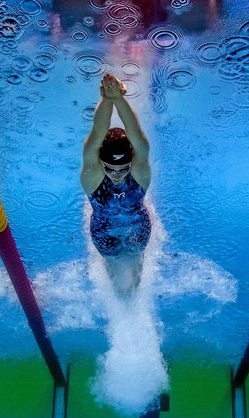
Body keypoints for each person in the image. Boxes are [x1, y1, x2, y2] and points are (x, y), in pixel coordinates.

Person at [80, 73, 151, 296]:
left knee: (138, 258)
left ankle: (134, 292)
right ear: (100, 162)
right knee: (110, 262)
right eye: (110, 168)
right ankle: (118, 295)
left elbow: (136, 135)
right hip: (103, 232)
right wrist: (108, 99)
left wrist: (119, 99)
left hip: (138, 227)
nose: (117, 174)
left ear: (133, 162)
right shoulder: (92, 175)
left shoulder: (139, 172)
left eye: (124, 168)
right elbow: (97, 133)